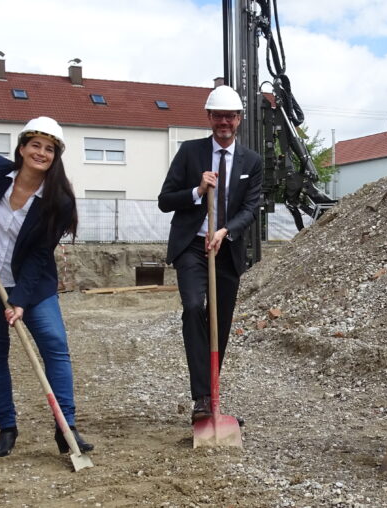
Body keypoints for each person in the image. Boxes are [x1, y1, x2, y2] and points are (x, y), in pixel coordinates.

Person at [0, 116, 93, 458]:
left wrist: (18, 301)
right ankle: (7, 427)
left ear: (55, 157)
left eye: (49, 149)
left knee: (55, 346)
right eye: (35, 145)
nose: (41, 153)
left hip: (33, 286)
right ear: (22, 148)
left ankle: (66, 429)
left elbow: (38, 256)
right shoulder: (0, 173)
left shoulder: (59, 201)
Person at [157, 85, 263, 424]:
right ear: (209, 118)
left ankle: (213, 395)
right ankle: (202, 396)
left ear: (239, 120)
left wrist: (226, 230)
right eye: (218, 115)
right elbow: (165, 200)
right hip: (192, 245)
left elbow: (251, 207)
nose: (224, 122)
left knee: (220, 322)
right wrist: (197, 190)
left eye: (230, 116)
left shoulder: (252, 162)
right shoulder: (190, 153)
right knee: (193, 308)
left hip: (227, 249)